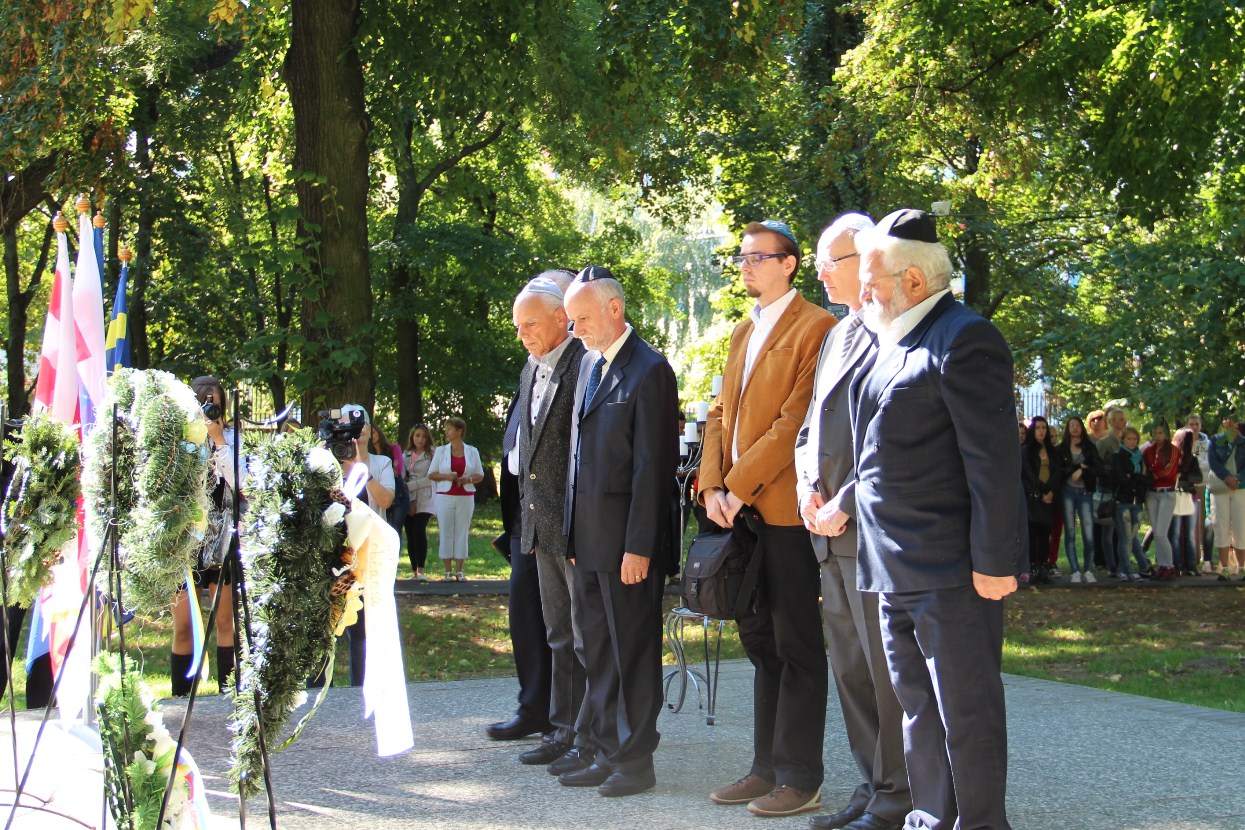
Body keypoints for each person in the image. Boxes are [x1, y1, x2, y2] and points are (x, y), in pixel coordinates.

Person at [820, 208, 1026, 830]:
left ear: (913, 281)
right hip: (889, 568)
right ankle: (933, 817)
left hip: (951, 572)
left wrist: (996, 563)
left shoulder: (965, 339)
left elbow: (992, 464)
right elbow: (884, 453)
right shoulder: (894, 340)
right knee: (918, 711)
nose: (863, 295)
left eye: (872, 282)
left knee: (965, 712)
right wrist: (845, 501)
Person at [698, 220, 833, 819]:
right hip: (736, 512)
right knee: (757, 640)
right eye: (742, 257)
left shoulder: (816, 327)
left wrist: (736, 486)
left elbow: (794, 422)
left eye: (758, 257)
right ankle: (766, 768)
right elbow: (719, 413)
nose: (746, 266)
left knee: (795, 641)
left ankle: (801, 777)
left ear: (789, 263)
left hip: (784, 514)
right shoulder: (742, 330)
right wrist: (710, 484)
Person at [796, 214, 911, 830]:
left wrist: (844, 500)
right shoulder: (837, 334)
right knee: (849, 670)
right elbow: (811, 426)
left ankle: (898, 795)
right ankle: (872, 786)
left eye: (830, 262)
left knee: (885, 673)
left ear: (866, 263)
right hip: (827, 534)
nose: (821, 273)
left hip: (869, 531)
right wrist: (804, 487)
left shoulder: (892, 328)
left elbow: (892, 437)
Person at [560, 265, 678, 798]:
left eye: (582, 318)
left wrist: (639, 548)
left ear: (614, 309)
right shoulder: (589, 364)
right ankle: (606, 751)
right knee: (600, 653)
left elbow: (652, 471)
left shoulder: (650, 370)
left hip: (628, 546)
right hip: (588, 542)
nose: (575, 330)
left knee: (632, 653)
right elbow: (578, 458)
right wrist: (572, 538)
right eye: (571, 320)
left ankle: (636, 763)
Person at [498, 276, 592, 767]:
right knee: (557, 633)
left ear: (562, 318)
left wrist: (578, 528)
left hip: (572, 526)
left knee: (584, 636)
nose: (522, 335)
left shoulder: (585, 364)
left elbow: (586, 455)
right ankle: (562, 729)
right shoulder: (531, 368)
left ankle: (589, 736)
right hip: (538, 526)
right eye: (517, 327)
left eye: (530, 324)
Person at [169, 376, 237, 696]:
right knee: (184, 626)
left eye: (216, 406)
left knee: (225, 622)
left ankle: (229, 696)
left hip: (221, 540)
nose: (211, 411)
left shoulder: (231, 438)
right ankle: (181, 699)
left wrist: (219, 439)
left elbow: (240, 484)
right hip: (186, 541)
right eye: (204, 405)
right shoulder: (179, 440)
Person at [324, 403, 395, 687]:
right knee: (325, 621)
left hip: (368, 555)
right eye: (346, 425)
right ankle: (319, 687)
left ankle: (362, 687)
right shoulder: (328, 461)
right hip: (334, 552)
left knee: (364, 627)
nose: (355, 431)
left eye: (360, 423)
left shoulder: (382, 463)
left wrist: (361, 469)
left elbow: (385, 500)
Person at [428, 417, 484, 581]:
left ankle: (459, 570)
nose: (446, 432)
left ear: (459, 431)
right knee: (445, 530)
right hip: (444, 496)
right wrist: (447, 476)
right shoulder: (441, 451)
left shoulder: (472, 451)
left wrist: (468, 479)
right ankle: (447, 570)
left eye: (450, 429)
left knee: (462, 531)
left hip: (465, 496)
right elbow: (431, 474)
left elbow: (480, 474)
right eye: (446, 429)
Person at [1057, 415, 1100, 582]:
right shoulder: (1062, 449)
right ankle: (1075, 570)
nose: (1075, 428)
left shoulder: (1089, 447)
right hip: (1067, 492)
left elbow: (1098, 468)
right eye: (1071, 425)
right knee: (1070, 532)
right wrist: (1077, 466)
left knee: (1088, 533)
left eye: (1077, 425)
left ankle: (1088, 569)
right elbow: (1060, 470)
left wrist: (1083, 470)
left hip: (1085, 492)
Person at [1021, 416, 1063, 584]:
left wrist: (1050, 491)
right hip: (1033, 497)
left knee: (1046, 535)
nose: (1041, 431)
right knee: (1032, 534)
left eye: (1044, 428)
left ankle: (1044, 569)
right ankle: (1033, 568)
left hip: (1049, 498)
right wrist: (1040, 491)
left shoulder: (1053, 451)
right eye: (1038, 428)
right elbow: (1027, 474)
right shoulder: (1026, 451)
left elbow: (1057, 472)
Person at [1142, 419, 1181, 581]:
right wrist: (1149, 476)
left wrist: (1152, 475)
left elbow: (1169, 471)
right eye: (1155, 433)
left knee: (1161, 532)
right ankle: (1162, 566)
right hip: (1151, 494)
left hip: (1167, 493)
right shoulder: (1148, 451)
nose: (1158, 436)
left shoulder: (1173, 450)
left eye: (1160, 433)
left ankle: (1169, 566)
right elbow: (1144, 469)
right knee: (1156, 531)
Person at [1208, 414, 1245, 580]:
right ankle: (1223, 568)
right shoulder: (1215, 441)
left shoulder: (1243, 442)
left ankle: (1241, 567)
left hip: (1240, 489)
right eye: (1226, 419)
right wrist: (1227, 477)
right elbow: (1213, 462)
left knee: (1240, 527)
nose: (1229, 422)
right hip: (1220, 488)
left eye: (1233, 419)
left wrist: (1238, 479)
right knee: (1220, 525)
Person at [1112, 426, 1150, 581]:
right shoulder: (1118, 456)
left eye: (1135, 439)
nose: (1132, 442)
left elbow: (1148, 479)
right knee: (1125, 537)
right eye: (1129, 438)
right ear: (1123, 440)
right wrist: (1137, 478)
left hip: (1137, 501)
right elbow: (1121, 478)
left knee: (1133, 536)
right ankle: (1125, 569)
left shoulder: (1140, 457)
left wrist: (1134, 477)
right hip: (1123, 501)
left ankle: (1135, 566)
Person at [401, 424, 437, 581]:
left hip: (425, 498)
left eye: (423, 436)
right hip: (408, 498)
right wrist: (408, 496)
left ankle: (421, 570)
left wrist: (410, 486)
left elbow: (430, 478)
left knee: (419, 530)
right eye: (417, 436)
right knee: (410, 533)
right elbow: (402, 476)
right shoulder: (405, 455)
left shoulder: (433, 454)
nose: (420, 439)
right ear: (412, 437)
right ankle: (414, 571)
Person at [1169, 427, 1203, 576]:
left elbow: (1198, 477)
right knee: (1175, 533)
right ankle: (1177, 565)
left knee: (1189, 534)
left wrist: (1184, 477)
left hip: (1189, 497)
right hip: (1175, 497)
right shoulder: (1172, 458)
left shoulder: (1192, 459)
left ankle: (1191, 565)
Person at [1184, 414, 1213, 572]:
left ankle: (1203, 556)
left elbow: (1210, 463)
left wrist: (1198, 464)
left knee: (1202, 520)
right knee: (1188, 522)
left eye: (1196, 424)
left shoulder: (1207, 443)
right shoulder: (1183, 441)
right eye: (1191, 424)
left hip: (1204, 484)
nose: (1194, 427)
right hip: (1187, 486)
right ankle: (1190, 555)